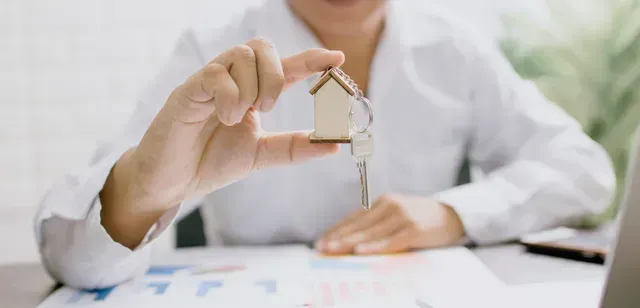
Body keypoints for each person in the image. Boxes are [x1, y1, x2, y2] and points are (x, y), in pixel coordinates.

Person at [35, 0, 615, 289]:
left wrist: (454, 212)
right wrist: (148, 187)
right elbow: (67, 250)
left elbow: (585, 168)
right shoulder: (211, 50)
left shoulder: (456, 47)